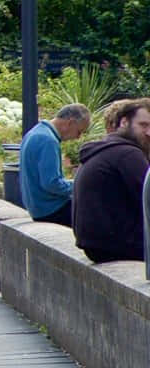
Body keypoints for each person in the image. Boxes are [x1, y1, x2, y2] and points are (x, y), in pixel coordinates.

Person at [72, 99, 150, 265]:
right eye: (143, 125)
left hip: (96, 246)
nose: (149, 132)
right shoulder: (128, 153)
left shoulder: (106, 148)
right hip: (117, 246)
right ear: (124, 122)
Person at [19, 105, 90, 227]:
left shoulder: (35, 132)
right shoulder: (48, 141)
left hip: (37, 207)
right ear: (70, 123)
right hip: (50, 209)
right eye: (79, 131)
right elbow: (51, 183)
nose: (79, 137)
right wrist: (80, 185)